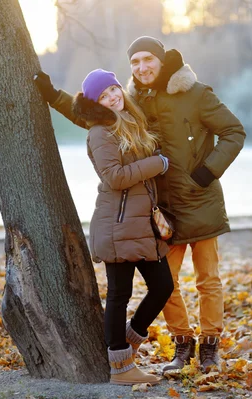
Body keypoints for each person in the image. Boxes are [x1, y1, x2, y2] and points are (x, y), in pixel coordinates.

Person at [34, 37, 246, 373]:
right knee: (168, 285)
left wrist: (206, 173)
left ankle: (209, 346)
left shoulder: (197, 94)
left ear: (162, 61)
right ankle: (181, 344)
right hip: (163, 212)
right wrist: (54, 97)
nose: (142, 67)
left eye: (148, 59)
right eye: (135, 62)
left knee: (209, 280)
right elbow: (94, 116)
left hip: (200, 201)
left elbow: (234, 131)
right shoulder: (131, 101)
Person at [69, 68, 174, 385]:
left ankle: (126, 347)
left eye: (114, 90)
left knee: (162, 287)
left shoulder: (131, 120)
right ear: (95, 103)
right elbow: (113, 177)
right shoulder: (100, 131)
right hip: (116, 223)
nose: (112, 97)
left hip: (139, 223)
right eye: (103, 96)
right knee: (119, 294)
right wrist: (158, 163)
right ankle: (120, 368)